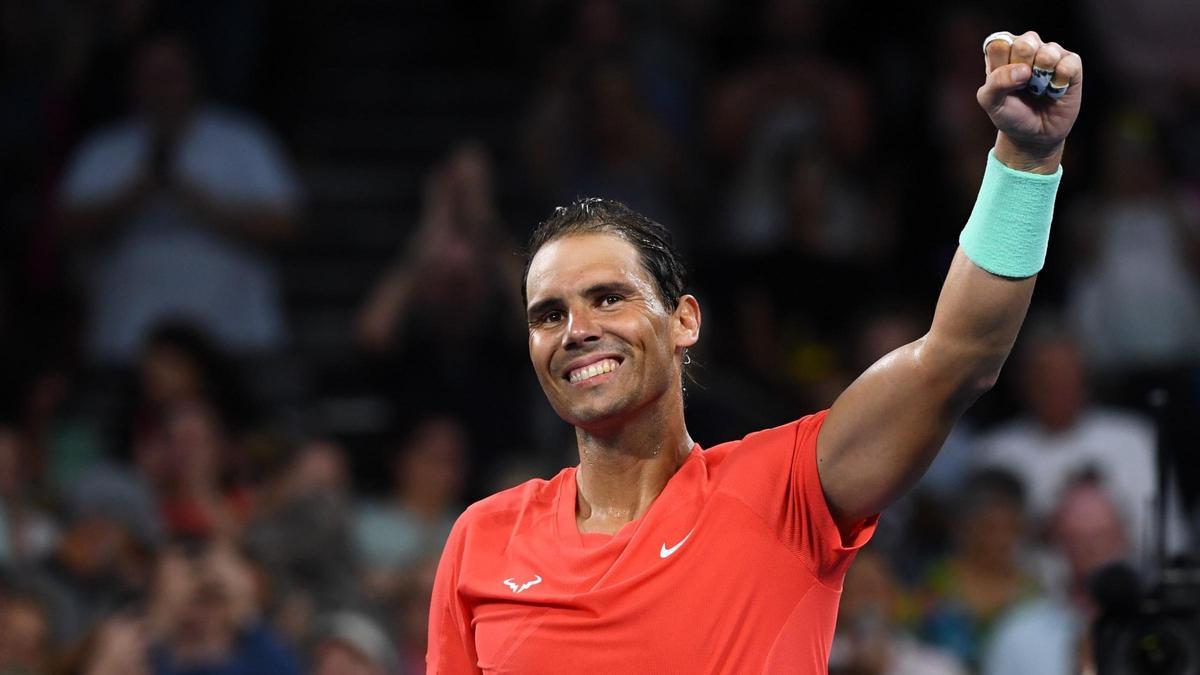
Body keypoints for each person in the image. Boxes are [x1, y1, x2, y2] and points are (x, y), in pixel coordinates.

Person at [428, 29, 1084, 673]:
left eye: (608, 298)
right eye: (549, 314)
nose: (576, 329)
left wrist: (1025, 163)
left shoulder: (788, 491)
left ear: (684, 321)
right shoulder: (483, 538)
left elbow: (958, 357)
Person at [57, 33, 301, 364]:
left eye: (171, 75)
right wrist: (134, 195)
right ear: (133, 83)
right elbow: (63, 227)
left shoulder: (244, 141)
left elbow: (287, 225)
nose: (162, 88)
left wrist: (200, 202)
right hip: (126, 338)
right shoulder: (103, 148)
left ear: (194, 78)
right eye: (152, 76)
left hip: (233, 336)